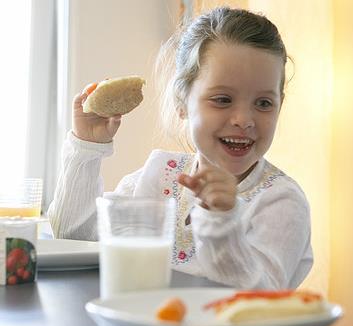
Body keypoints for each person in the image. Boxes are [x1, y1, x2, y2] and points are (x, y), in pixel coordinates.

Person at [48, 7, 313, 290]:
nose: (244, 120)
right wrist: (86, 146)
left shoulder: (280, 201)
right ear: (182, 102)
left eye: (263, 103)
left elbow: (260, 296)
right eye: (223, 99)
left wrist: (220, 222)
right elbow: (73, 236)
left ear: (279, 105)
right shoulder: (160, 175)